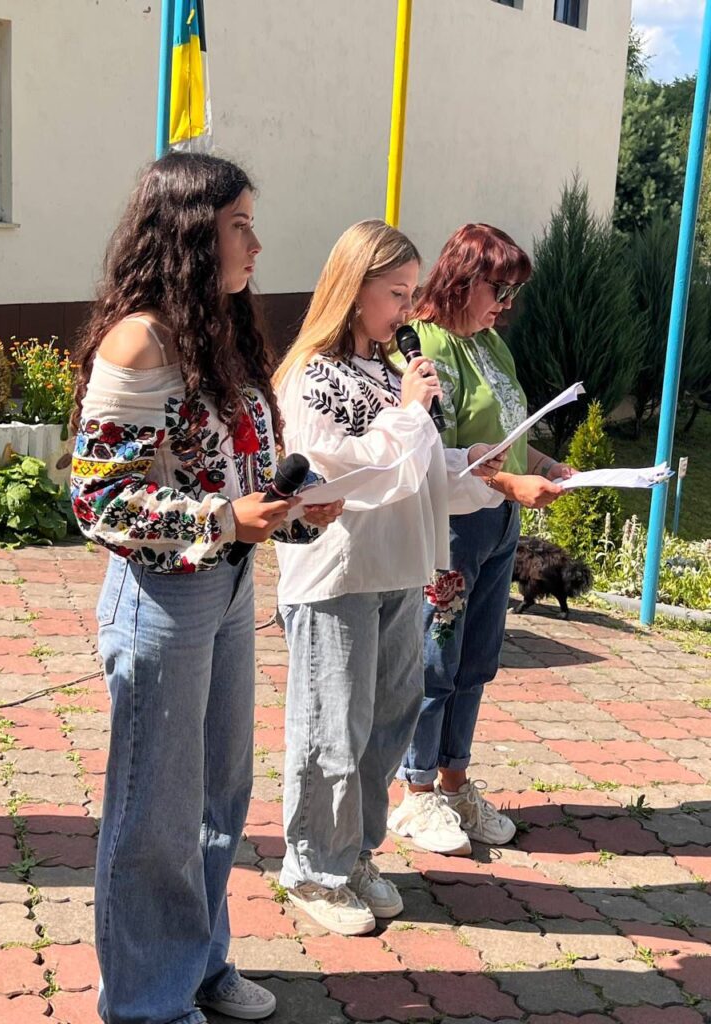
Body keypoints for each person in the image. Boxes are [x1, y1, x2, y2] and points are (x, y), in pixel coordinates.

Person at [70, 152, 342, 1024]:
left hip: (228, 590)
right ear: (190, 234)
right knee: (156, 811)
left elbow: (240, 473)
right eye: (239, 226)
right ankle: (145, 1002)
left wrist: (294, 513)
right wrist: (225, 519)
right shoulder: (140, 340)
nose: (256, 245)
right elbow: (98, 499)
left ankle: (197, 963)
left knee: (220, 793)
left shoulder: (218, 331)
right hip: (161, 601)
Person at [272, 220, 506, 936]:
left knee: (387, 722)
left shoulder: (385, 371)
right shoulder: (311, 376)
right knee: (333, 728)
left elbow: (414, 472)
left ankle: (356, 854)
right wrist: (409, 412)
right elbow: (346, 474)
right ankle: (314, 867)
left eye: (411, 293)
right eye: (396, 294)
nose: (408, 311)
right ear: (353, 289)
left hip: (400, 570)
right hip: (338, 573)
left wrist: (481, 468)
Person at [389, 223, 574, 856]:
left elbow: (506, 434)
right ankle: (416, 791)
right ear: (463, 279)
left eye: (514, 292)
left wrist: (544, 465)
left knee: (476, 660)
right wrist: (510, 481)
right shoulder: (421, 345)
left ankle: (455, 780)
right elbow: (430, 449)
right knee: (435, 658)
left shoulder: (490, 344)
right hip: (451, 525)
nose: (507, 305)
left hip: (498, 522)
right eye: (499, 289)